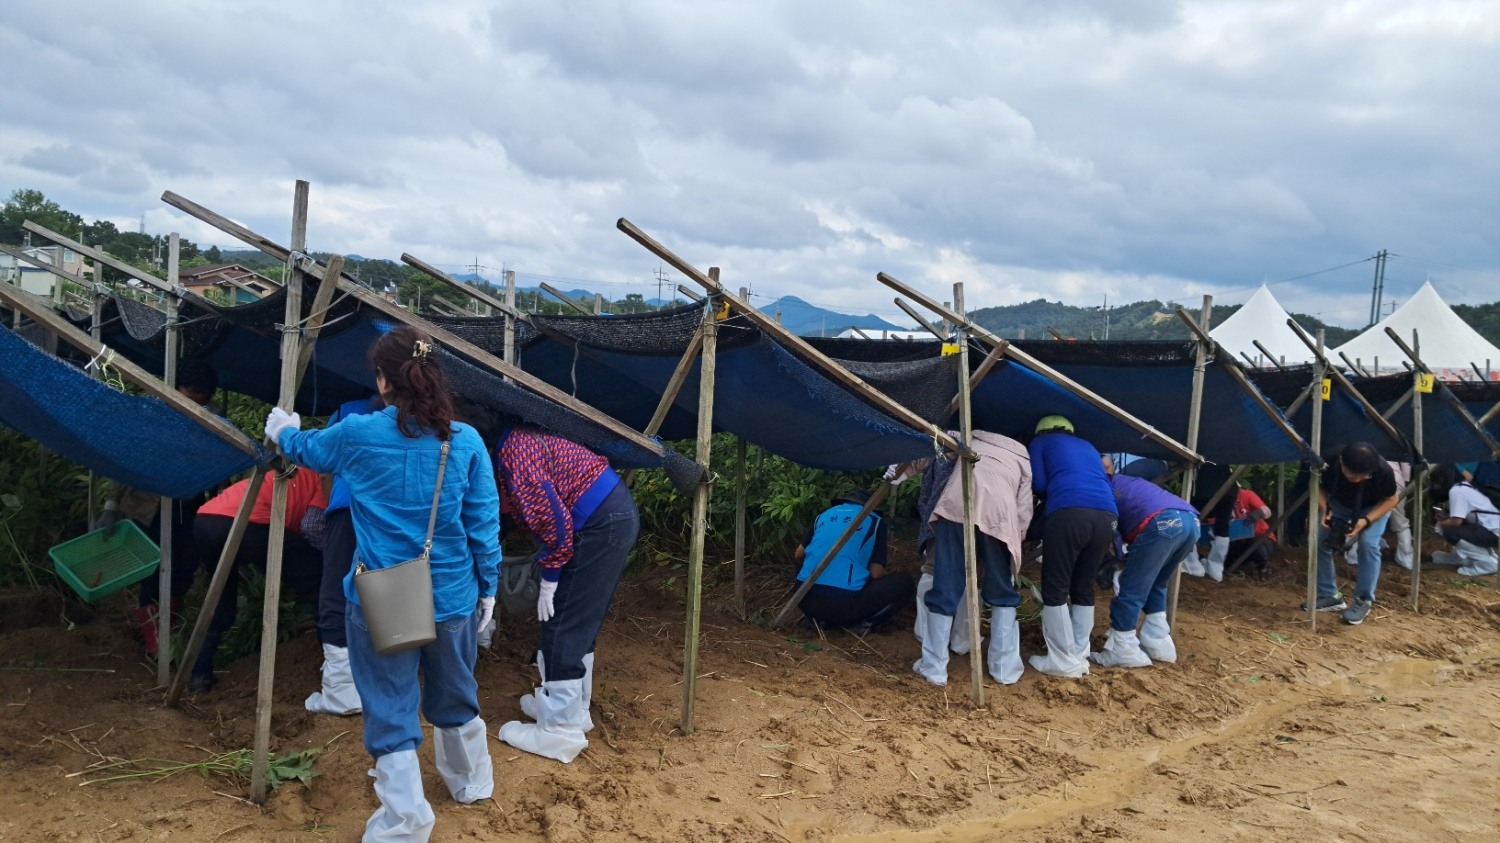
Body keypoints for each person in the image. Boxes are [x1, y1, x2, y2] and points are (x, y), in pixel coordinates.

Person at [266, 326, 500, 842]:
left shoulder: (357, 433)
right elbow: (483, 521)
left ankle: (406, 822)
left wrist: (282, 429)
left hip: (382, 597)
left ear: (383, 381)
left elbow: (306, 450)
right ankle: (471, 783)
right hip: (454, 593)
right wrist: (489, 587)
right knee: (456, 691)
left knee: (391, 707)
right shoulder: (466, 442)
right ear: (435, 379)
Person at [492, 425, 639, 765]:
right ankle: (573, 710)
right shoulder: (517, 442)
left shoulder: (516, 453)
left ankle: (559, 730)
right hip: (611, 517)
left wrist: (550, 577)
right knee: (580, 619)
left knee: (563, 621)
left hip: (598, 525)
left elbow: (554, 522)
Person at [98, 358, 220, 657]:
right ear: (177, 389)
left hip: (187, 503)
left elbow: (218, 463)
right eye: (190, 400)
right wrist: (111, 507)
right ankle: (156, 643)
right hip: (147, 504)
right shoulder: (153, 413)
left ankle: (169, 629)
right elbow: (127, 461)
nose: (194, 407)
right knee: (152, 568)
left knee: (184, 564)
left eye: (201, 402)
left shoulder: (212, 419)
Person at [909, 430, 1033, 686]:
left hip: (957, 506)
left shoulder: (969, 436)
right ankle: (1004, 670)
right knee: (1002, 592)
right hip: (999, 517)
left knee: (945, 586)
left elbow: (931, 442)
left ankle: (934, 669)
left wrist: (898, 471)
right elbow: (1023, 510)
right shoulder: (1021, 456)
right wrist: (1014, 543)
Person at [188, 466, 326, 692]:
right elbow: (312, 527)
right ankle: (335, 664)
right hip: (249, 522)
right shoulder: (329, 477)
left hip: (207, 520)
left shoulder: (292, 472)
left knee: (220, 600)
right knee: (320, 584)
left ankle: (199, 676)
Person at [305, 393, 384, 716]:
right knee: (388, 590)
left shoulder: (347, 412)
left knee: (337, 590)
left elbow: (323, 468)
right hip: (395, 515)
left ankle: (340, 691)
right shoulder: (419, 410)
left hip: (349, 509)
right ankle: (380, 682)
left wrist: (332, 505)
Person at [1027, 415, 1117, 678]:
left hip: (1069, 512)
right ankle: (1079, 653)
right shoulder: (1088, 446)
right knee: (1083, 585)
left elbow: (1040, 484)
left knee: (1056, 585)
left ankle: (1060, 660)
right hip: (1107, 516)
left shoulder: (1040, 442)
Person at [1093, 460, 1198, 668]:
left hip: (1162, 523)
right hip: (1190, 521)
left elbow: (1112, 529)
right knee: (1157, 583)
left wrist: (1117, 562)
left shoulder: (1101, 486)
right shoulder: (1127, 481)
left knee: (1131, 586)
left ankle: (1122, 649)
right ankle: (1158, 642)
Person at [793, 488, 914, 631]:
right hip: (842, 604)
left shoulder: (823, 516)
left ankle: (815, 620)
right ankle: (863, 624)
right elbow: (876, 573)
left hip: (804, 599)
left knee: (806, 562)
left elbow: (798, 554)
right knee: (904, 582)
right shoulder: (875, 521)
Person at [1308, 442, 1401, 625]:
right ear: (1342, 462)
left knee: (1368, 544)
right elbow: (1315, 485)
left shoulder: (1383, 471)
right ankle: (1330, 595)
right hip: (1339, 503)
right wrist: (1325, 509)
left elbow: (1391, 499)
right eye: (1351, 475)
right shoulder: (1329, 459)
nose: (1357, 480)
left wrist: (1365, 521)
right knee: (1320, 540)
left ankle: (1363, 600)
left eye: (1363, 476)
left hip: (1374, 506)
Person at [1428, 464, 1500, 576]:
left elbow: (1456, 522)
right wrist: (1446, 518)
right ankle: (1459, 557)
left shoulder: (1457, 491)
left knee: (1449, 531)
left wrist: (1441, 523)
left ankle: (1487, 562)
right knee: (1452, 527)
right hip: (1492, 531)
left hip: (1494, 534)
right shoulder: (1465, 487)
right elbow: (1467, 518)